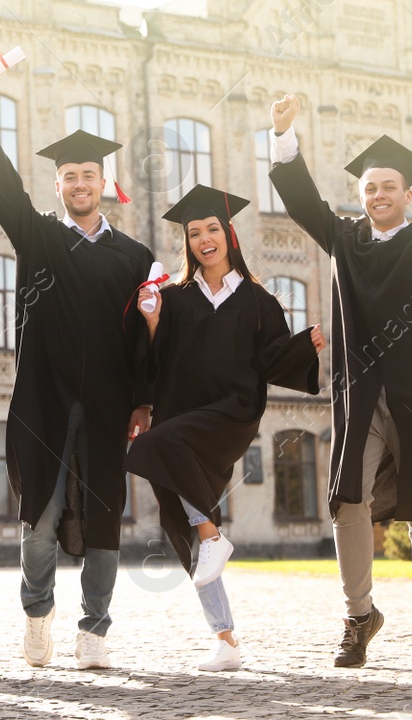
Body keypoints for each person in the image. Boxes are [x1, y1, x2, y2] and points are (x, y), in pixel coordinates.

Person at [266, 81, 412, 669]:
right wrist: (284, 135)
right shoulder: (346, 238)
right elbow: (302, 200)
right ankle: (359, 615)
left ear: (409, 194)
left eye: (389, 187)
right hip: (359, 395)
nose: (379, 194)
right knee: (346, 499)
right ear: (360, 196)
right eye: (370, 188)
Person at [0, 67, 155, 669]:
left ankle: (94, 629)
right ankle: (37, 616)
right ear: (58, 186)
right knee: (39, 516)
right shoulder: (40, 238)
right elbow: (0, 189)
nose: (79, 183)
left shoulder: (134, 256)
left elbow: (145, 339)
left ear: (103, 182)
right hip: (42, 401)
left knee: (103, 519)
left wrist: (144, 400)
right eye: (69, 176)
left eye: (88, 175)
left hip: (106, 404)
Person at [126, 186, 326, 672]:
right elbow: (152, 360)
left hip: (232, 413)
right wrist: (151, 323)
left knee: (158, 447)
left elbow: (273, 358)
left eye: (212, 229)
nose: (203, 239)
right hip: (179, 412)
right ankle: (226, 640)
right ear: (188, 243)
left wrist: (308, 345)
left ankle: (215, 538)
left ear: (228, 235)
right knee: (186, 523)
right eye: (194, 233)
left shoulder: (257, 301)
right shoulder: (173, 298)